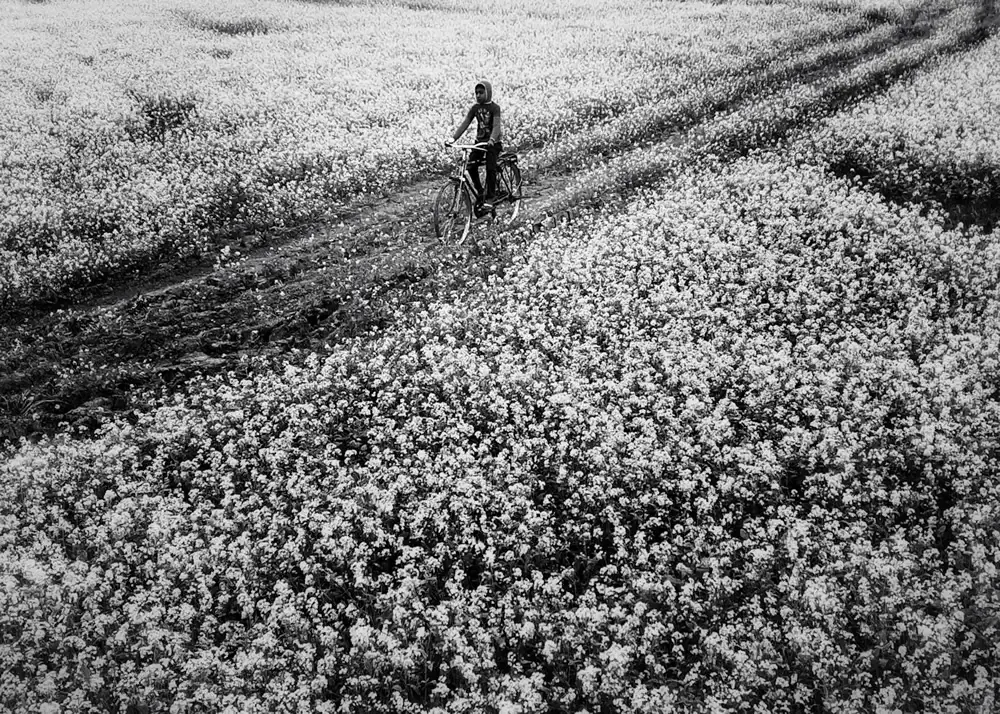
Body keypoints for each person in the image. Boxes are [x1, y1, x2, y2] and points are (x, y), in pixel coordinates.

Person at [447, 80, 503, 209]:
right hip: (480, 142)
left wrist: (492, 140)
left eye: (481, 92)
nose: (478, 95)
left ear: (488, 93)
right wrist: (453, 139)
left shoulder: (495, 108)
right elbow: (466, 123)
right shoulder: (475, 108)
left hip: (493, 144)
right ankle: (480, 190)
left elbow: (496, 126)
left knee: (490, 168)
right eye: (476, 93)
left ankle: (490, 196)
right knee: (470, 166)